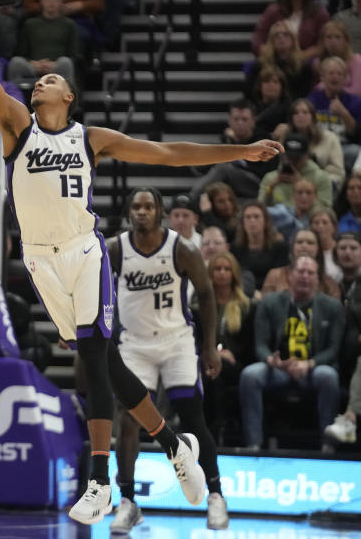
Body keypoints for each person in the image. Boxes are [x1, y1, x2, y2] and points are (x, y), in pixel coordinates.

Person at [0, 0, 282, 526]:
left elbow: (168, 154)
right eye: (41, 79)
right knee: (105, 363)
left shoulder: (92, 138)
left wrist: (240, 151)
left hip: (86, 251)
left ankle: (99, 482)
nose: (44, 79)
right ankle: (173, 446)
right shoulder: (17, 125)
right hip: (39, 260)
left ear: (69, 97)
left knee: (91, 355)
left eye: (55, 78)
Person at [107, 188, 228, 532]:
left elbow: (206, 295)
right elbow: (95, 287)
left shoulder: (182, 248)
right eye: (136, 206)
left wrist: (208, 347)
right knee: (128, 420)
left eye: (148, 206)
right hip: (135, 345)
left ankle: (216, 495)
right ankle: (128, 501)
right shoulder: (117, 249)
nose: (142, 212)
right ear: (130, 212)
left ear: (159, 211)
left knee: (192, 415)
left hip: (176, 341)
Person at [239, 256, 343, 450]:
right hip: (278, 368)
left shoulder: (332, 307)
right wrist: (272, 360)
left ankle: (328, 445)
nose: (305, 276)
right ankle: (253, 444)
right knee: (250, 375)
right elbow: (260, 344)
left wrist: (309, 364)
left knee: (329, 376)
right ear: (289, 276)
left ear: (317, 278)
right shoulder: (270, 302)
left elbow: (333, 350)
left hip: (313, 370)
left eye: (310, 273)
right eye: (300, 271)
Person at [205, 252, 255, 444]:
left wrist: (229, 353)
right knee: (211, 376)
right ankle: (211, 429)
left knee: (216, 373)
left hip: (237, 362)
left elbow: (249, 343)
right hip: (207, 360)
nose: (222, 273)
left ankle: (217, 429)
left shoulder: (247, 306)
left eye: (227, 269)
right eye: (217, 269)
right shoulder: (199, 305)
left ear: (234, 273)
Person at [7, 0, 78, 86]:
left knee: (66, 62)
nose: (51, 1)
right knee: (16, 62)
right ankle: (13, 99)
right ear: (41, 0)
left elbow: (74, 56)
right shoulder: (30, 24)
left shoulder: (69, 25)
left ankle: (68, 99)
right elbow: (21, 52)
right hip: (34, 67)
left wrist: (53, 65)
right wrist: (34, 63)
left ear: (62, 2)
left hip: (56, 68)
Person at [252, 0, 330, 60]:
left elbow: (322, 44)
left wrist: (302, 56)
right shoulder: (273, 11)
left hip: (306, 61)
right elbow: (257, 40)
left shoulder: (319, 14)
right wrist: (270, 54)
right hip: (275, 59)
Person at [231, 201, 289, 289]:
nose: (252, 221)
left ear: (265, 221)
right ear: (242, 222)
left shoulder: (280, 248)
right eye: (248, 217)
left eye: (256, 217)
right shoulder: (235, 249)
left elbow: (280, 278)